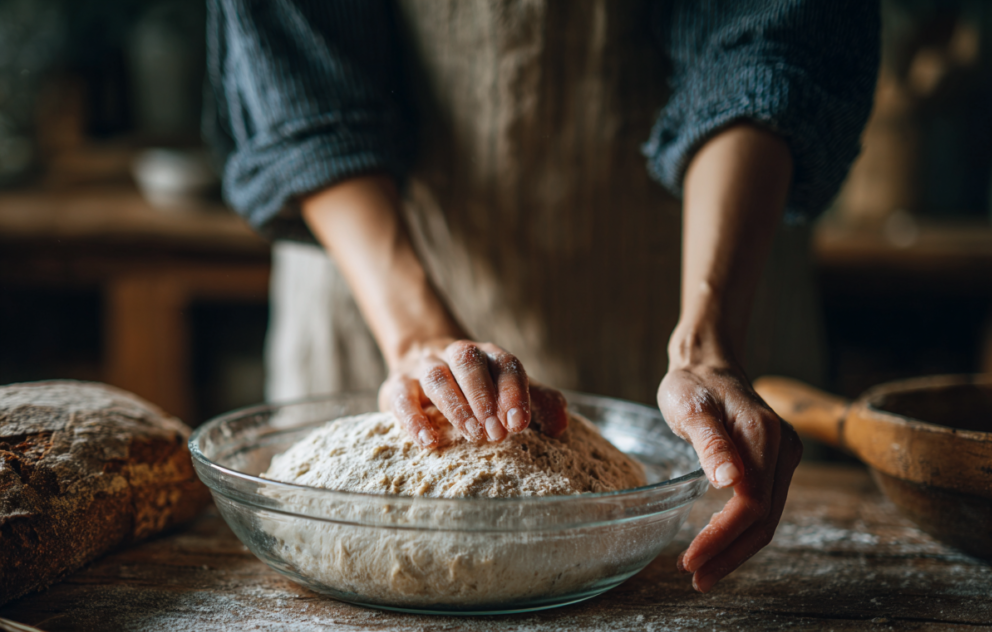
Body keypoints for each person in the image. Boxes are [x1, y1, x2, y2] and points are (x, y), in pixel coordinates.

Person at [206, 0, 880, 592]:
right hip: (373, 261)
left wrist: (707, 344)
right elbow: (297, 74)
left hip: (689, 252)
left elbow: (769, 38)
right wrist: (415, 338)